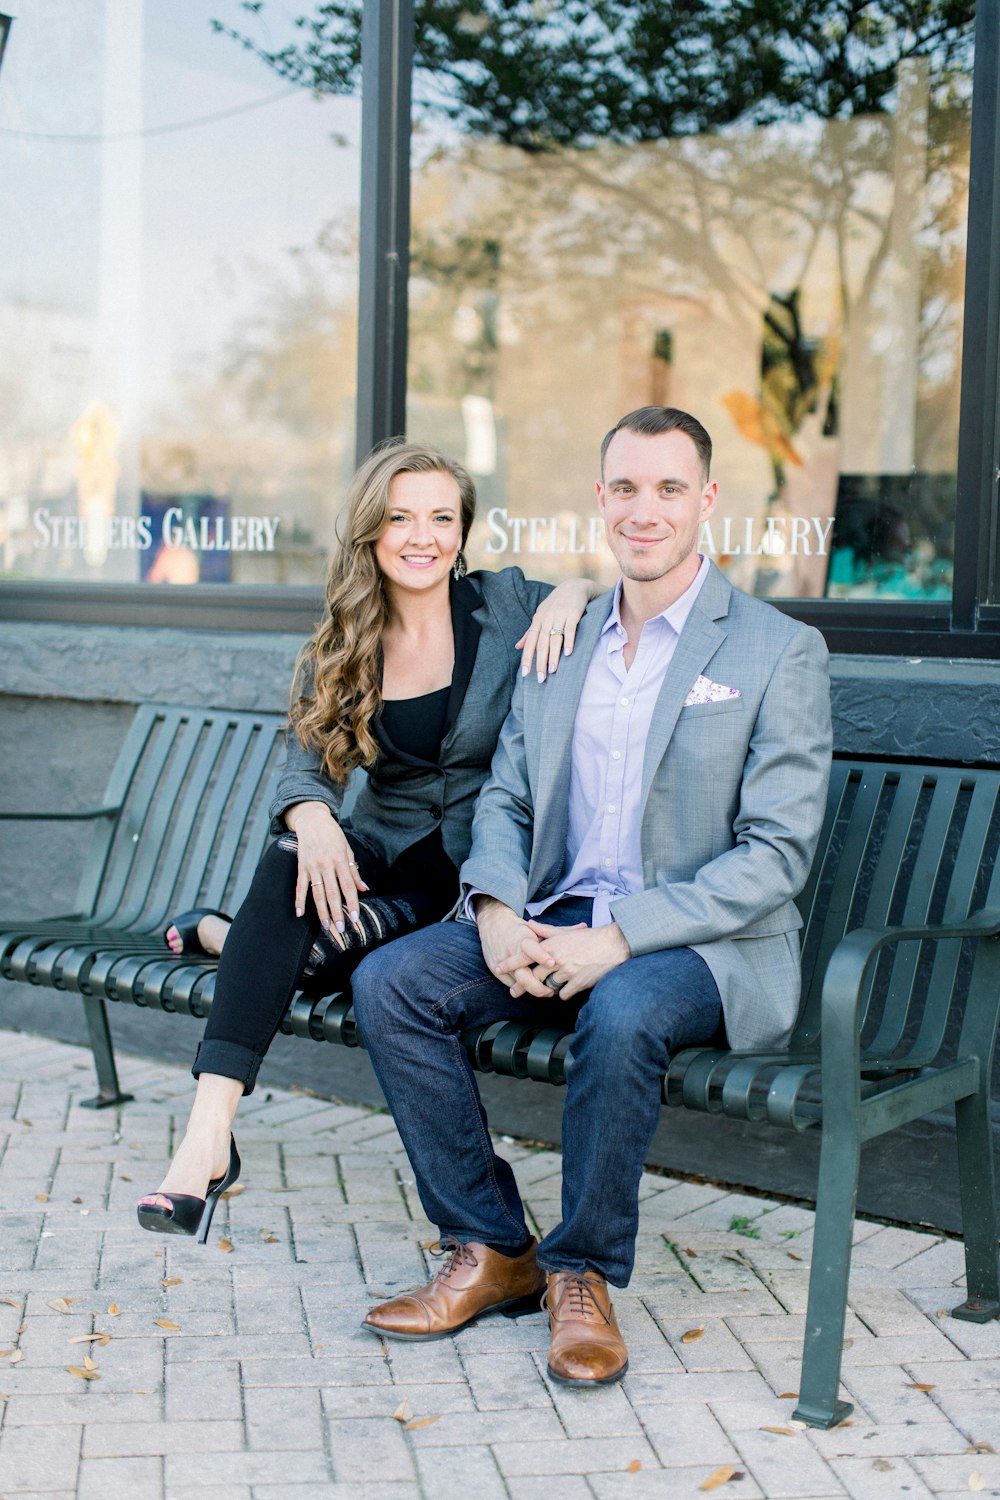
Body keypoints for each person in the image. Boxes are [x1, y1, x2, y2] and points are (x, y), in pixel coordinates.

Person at [350, 405, 833, 1387]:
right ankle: (492, 1245)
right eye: (624, 488)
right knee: (393, 983)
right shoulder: (558, 638)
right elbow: (510, 794)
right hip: (555, 916)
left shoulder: (776, 651)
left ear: (704, 502)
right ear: (600, 501)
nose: (643, 510)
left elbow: (775, 858)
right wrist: (490, 911)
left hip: (704, 945)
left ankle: (581, 1273)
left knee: (617, 1010)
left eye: (667, 489)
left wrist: (616, 940)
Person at [136, 440, 599, 1241]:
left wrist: (577, 593)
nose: (423, 536)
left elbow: (623, 590)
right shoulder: (347, 636)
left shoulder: (509, 604)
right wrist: (311, 817)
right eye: (400, 518)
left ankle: (220, 932)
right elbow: (301, 765)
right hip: (381, 856)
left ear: (462, 530)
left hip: (472, 875)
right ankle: (206, 1139)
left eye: (442, 518)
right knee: (290, 864)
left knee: (310, 957)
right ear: (371, 532)